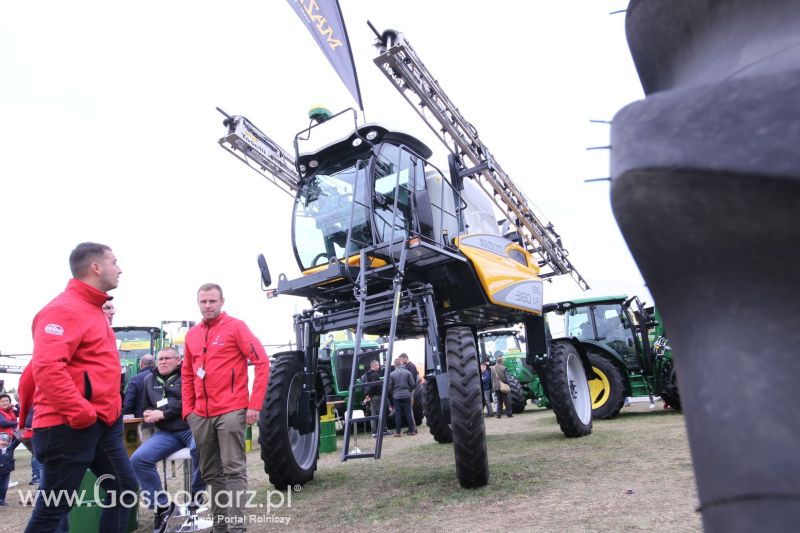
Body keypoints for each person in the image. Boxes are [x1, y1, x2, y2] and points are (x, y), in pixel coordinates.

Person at [25, 242, 138, 533]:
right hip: (69, 425)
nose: (120, 268)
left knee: (124, 491)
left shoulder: (95, 310)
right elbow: (47, 368)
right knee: (53, 509)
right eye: (115, 261)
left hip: (102, 423)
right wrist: (81, 412)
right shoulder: (63, 310)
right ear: (96, 267)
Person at [183, 283, 269, 532]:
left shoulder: (236, 327)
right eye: (203, 301)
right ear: (198, 303)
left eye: (212, 301)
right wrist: (188, 411)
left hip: (231, 409)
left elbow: (261, 362)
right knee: (210, 472)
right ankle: (219, 526)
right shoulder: (192, 335)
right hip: (200, 414)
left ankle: (236, 527)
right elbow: (187, 374)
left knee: (233, 469)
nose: (207, 305)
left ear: (222, 302)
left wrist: (255, 404)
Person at [131, 347, 205, 532]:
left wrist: (163, 413)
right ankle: (162, 506)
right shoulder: (149, 380)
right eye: (160, 358)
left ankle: (196, 496)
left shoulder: (187, 376)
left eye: (167, 358)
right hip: (166, 434)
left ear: (179, 360)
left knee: (202, 448)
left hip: (190, 427)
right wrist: (147, 413)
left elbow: (189, 402)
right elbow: (146, 405)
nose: (163, 361)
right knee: (138, 460)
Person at [388, 358, 417, 436]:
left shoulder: (392, 374)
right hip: (406, 395)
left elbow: (390, 387)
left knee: (398, 414)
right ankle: (412, 431)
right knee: (408, 413)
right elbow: (413, 385)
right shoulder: (408, 373)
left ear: (394, 365)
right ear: (401, 364)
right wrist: (408, 390)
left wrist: (393, 392)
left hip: (396, 396)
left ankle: (398, 432)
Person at [360, 360, 388, 437]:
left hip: (371, 397)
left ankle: (374, 431)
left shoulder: (367, 375)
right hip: (377, 396)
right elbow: (374, 386)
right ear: (374, 366)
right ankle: (384, 430)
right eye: (378, 365)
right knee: (381, 413)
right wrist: (369, 394)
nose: (379, 367)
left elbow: (370, 387)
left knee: (373, 414)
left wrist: (368, 395)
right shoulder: (375, 375)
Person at [123, 353, 156, 418]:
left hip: (140, 419)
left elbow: (129, 402)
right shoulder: (161, 377)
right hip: (159, 419)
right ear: (154, 364)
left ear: (141, 365)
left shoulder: (135, 379)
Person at [0, 432, 21, 506]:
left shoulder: (10, 448)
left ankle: (1, 500)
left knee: (4, 487)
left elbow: (17, 441)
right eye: (2, 440)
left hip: (6, 471)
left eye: (6, 441)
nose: (4, 442)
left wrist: (19, 433)